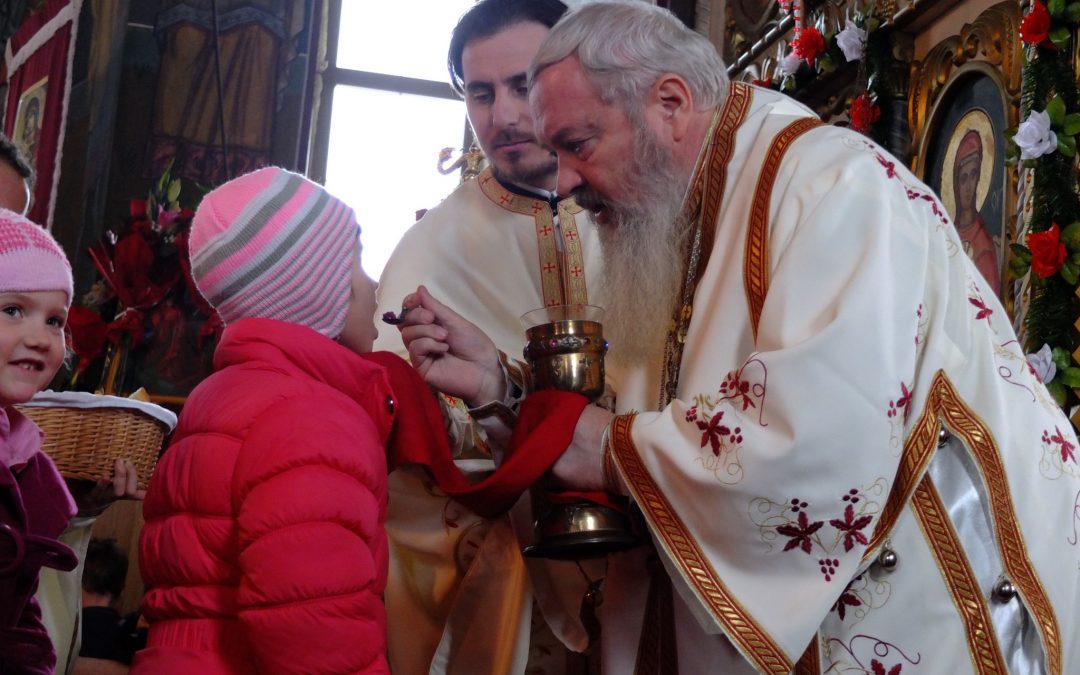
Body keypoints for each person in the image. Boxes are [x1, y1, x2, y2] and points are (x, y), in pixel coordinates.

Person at [398, 2, 1080, 673]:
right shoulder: (669, 219)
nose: (566, 182)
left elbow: (815, 441)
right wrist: (503, 390)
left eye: (578, 145)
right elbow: (646, 413)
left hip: (925, 617)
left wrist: (607, 447)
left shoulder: (833, 189)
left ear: (669, 104)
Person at [373, 1, 609, 673]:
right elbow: (410, 448)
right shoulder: (429, 250)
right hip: (511, 584)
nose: (504, 116)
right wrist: (489, 408)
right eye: (482, 92)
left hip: (653, 549)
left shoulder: (636, 211)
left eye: (525, 84)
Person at [133, 167, 391, 674]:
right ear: (316, 290)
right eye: (357, 262)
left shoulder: (219, 397)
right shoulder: (312, 417)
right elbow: (315, 629)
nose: (374, 284)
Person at [0, 207, 80, 674]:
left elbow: (18, 618)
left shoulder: (24, 459)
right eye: (13, 310)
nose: (42, 337)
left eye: (55, 321)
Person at [951, 128, 999, 293]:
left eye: (973, 175)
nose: (968, 187)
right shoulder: (947, 233)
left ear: (979, 178)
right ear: (956, 184)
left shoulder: (982, 243)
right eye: (963, 178)